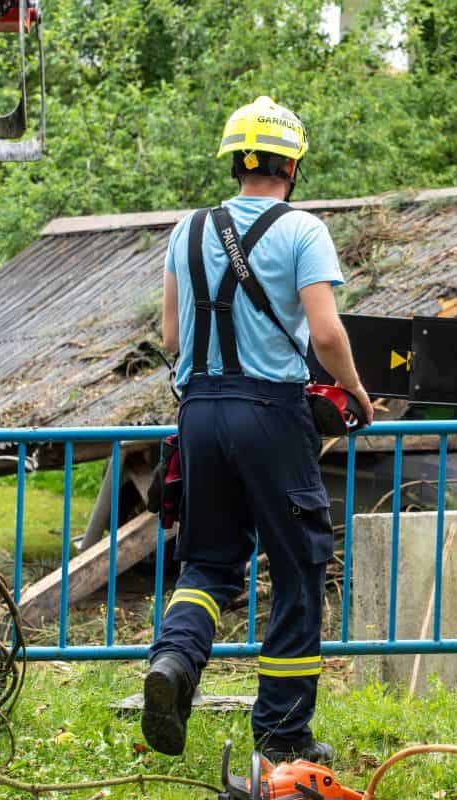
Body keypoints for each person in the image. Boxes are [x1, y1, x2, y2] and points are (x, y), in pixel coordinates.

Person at [142, 96, 373, 764]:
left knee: (209, 561)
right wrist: (356, 391)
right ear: (291, 166)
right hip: (271, 412)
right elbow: (325, 333)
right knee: (299, 567)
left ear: (235, 163)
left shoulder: (187, 228)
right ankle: (282, 733)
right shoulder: (303, 230)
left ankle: (174, 663)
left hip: (198, 413)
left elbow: (171, 337)